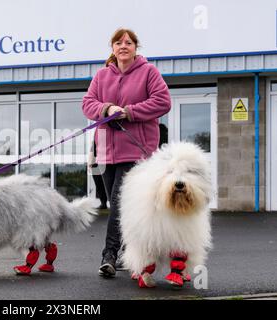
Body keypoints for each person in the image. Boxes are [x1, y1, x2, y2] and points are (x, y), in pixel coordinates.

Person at [81, 28, 171, 278]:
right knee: (118, 206)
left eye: (128, 42)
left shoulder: (148, 73)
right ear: (112, 48)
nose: (123, 46)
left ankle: (109, 254)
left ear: (135, 48)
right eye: (118, 43)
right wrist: (107, 108)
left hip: (136, 152)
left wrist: (129, 112)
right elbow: (87, 104)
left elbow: (162, 101)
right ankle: (130, 252)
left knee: (119, 205)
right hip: (107, 153)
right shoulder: (101, 76)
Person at [88, 138, 108, 210]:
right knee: (99, 185)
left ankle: (112, 203)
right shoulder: (95, 140)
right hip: (95, 164)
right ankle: (103, 203)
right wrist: (90, 163)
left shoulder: (107, 139)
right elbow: (91, 151)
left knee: (107, 184)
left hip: (105, 163)